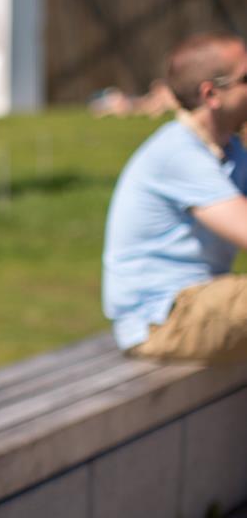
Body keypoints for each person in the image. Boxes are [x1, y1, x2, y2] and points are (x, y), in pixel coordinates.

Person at [103, 32, 247, 363]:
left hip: (200, 302)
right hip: (162, 317)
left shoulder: (230, 151)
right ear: (211, 94)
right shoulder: (179, 153)